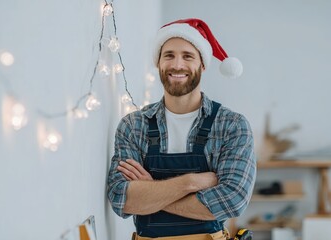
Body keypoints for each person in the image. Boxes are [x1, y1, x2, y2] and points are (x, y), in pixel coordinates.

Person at [107, 18, 256, 240]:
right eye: (169, 55)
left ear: (202, 65)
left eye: (188, 56)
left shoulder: (231, 125)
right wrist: (192, 182)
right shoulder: (133, 126)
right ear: (158, 62)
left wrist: (151, 190)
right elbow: (122, 199)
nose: (177, 65)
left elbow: (232, 201)